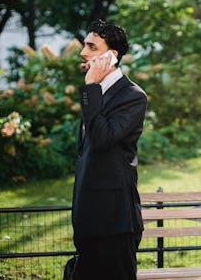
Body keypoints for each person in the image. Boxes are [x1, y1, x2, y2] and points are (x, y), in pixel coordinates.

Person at [72, 19, 147, 280]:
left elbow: (103, 140)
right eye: (85, 45)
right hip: (88, 219)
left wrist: (91, 86)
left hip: (115, 222)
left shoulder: (132, 96)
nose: (83, 52)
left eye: (91, 47)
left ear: (111, 55)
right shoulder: (93, 93)